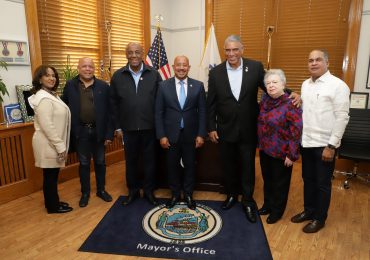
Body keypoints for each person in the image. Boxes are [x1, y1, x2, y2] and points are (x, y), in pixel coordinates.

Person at [207, 35, 300, 223]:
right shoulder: (215, 72)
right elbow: (211, 103)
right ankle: (232, 195)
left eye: (235, 49)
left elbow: (271, 86)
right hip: (225, 129)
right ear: (224, 51)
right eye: (228, 50)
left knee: (248, 167)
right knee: (229, 166)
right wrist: (211, 127)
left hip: (248, 130)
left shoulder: (255, 67)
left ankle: (248, 201)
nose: (231, 54)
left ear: (242, 49)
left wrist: (292, 93)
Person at [291, 49, 350, 233]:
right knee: (307, 180)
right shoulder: (306, 84)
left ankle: (319, 218)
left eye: (318, 60)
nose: (313, 63)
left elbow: (342, 117)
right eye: (310, 60)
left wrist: (331, 146)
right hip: (306, 142)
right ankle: (309, 211)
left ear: (327, 63)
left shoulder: (338, 86)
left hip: (325, 145)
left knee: (322, 184)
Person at [110, 42, 162, 206]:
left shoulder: (154, 74)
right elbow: (113, 105)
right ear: (126, 54)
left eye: (137, 52)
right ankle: (132, 191)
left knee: (150, 161)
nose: (134, 55)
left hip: (150, 127)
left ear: (142, 54)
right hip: (128, 128)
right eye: (130, 52)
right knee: (131, 161)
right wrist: (117, 127)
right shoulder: (118, 76)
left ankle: (148, 191)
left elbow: (160, 102)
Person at [155, 56, 206, 210]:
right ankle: (175, 194)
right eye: (179, 65)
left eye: (185, 65)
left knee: (190, 165)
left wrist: (201, 134)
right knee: (172, 166)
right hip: (170, 135)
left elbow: (203, 112)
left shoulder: (198, 86)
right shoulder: (163, 86)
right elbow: (158, 112)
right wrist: (161, 135)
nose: (181, 68)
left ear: (189, 67)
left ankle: (189, 194)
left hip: (191, 135)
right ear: (173, 67)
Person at [62, 57, 114, 208]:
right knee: (84, 164)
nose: (87, 69)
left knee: (100, 162)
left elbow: (111, 113)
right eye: (84, 66)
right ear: (78, 68)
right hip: (81, 132)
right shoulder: (70, 85)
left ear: (94, 69)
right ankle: (85, 193)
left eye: (90, 66)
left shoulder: (104, 86)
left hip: (99, 132)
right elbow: (64, 107)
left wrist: (109, 134)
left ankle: (101, 190)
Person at [257, 69, 302, 224]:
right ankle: (267, 205)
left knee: (280, 183)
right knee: (268, 180)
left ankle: (277, 211)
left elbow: (296, 131)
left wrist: (292, 154)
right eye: (268, 83)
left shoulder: (291, 104)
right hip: (265, 149)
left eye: (275, 82)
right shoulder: (264, 100)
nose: (271, 86)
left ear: (283, 84)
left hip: (282, 153)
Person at [28, 65, 73, 214]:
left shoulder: (51, 95)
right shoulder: (43, 98)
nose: (51, 78)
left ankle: (53, 202)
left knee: (52, 176)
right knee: (50, 177)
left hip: (52, 142)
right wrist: (60, 146)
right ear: (40, 79)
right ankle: (53, 207)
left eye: (53, 75)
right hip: (48, 143)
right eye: (47, 75)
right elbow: (47, 125)